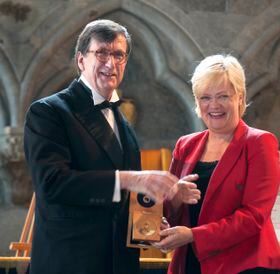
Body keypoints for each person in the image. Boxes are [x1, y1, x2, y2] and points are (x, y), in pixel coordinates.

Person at [23, 19, 178, 274]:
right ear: (81, 59)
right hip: (70, 264)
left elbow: (124, 201)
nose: (111, 63)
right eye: (102, 53)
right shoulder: (49, 111)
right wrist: (127, 179)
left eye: (118, 54)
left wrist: (149, 227)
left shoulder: (122, 121)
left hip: (118, 264)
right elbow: (52, 184)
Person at [155, 54, 280, 274]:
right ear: (197, 102)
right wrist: (175, 198)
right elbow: (166, 213)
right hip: (189, 265)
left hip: (244, 266)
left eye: (223, 96)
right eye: (205, 97)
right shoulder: (185, 145)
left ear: (240, 97)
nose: (214, 105)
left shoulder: (260, 142)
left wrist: (194, 235)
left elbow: (254, 217)